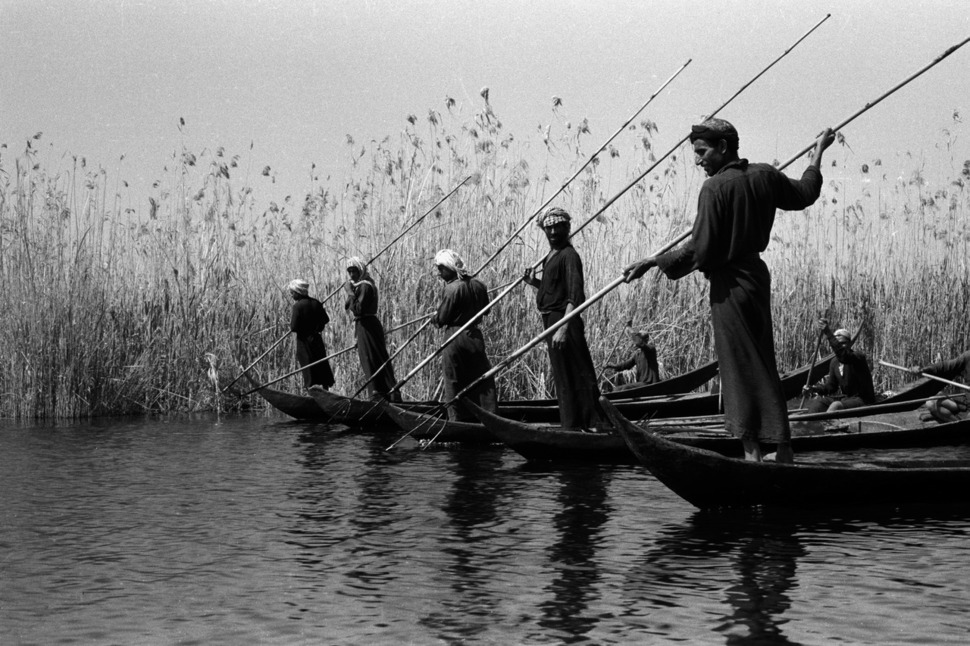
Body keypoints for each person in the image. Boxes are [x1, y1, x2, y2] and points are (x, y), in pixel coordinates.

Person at [623, 118, 835, 462]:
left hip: (729, 286)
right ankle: (783, 450)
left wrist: (654, 262)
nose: (697, 160)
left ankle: (752, 454)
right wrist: (817, 154)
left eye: (702, 152)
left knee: (736, 366)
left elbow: (701, 250)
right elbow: (805, 193)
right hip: (756, 278)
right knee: (762, 360)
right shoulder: (765, 175)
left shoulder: (714, 189)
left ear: (723, 147)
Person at [523, 207, 604, 432]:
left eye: (558, 227)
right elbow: (553, 290)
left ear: (567, 228)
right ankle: (572, 423)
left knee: (578, 370)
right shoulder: (550, 256)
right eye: (548, 228)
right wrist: (533, 282)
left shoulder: (569, 255)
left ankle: (593, 423)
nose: (553, 232)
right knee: (563, 374)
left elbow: (574, 295)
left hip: (564, 320)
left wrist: (563, 327)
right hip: (552, 320)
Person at [431, 249, 498, 421]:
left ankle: (457, 420)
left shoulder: (452, 289)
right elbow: (486, 310)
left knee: (453, 378)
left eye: (441, 269)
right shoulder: (478, 285)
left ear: (450, 267)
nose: (439, 273)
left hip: (455, 336)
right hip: (474, 336)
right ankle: (488, 416)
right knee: (480, 377)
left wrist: (435, 318)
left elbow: (442, 319)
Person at [344, 257, 401, 402]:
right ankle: (384, 393)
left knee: (371, 358)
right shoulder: (363, 285)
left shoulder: (365, 286)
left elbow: (358, 310)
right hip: (365, 325)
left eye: (354, 271)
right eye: (349, 271)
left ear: (361, 270)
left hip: (367, 326)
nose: (351, 275)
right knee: (373, 357)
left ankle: (378, 394)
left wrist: (350, 292)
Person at [803, 320, 876, 413]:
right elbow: (831, 386)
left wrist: (828, 333)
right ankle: (810, 425)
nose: (841, 347)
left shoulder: (857, 357)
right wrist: (813, 389)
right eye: (838, 344)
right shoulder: (834, 362)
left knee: (836, 405)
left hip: (863, 400)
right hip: (847, 399)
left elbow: (843, 356)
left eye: (843, 343)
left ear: (850, 343)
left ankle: (830, 427)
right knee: (819, 402)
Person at [288, 279, 336, 390]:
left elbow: (293, 327)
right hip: (316, 339)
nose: (291, 295)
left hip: (304, 341)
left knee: (308, 366)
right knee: (320, 364)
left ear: (298, 292)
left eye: (292, 292)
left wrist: (303, 328)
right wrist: (318, 327)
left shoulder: (297, 306)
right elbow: (325, 319)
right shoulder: (316, 303)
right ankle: (325, 389)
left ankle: (311, 391)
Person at [911, 351, 970, 422]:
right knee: (931, 403)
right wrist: (923, 370)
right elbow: (945, 366)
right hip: (966, 399)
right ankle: (956, 422)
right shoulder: (967, 357)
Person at [605, 327, 660, 391]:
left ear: (645, 340)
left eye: (639, 339)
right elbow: (626, 365)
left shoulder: (651, 349)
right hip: (642, 383)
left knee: (624, 388)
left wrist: (630, 328)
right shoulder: (637, 355)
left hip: (650, 383)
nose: (637, 341)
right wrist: (611, 366)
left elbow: (640, 344)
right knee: (617, 389)